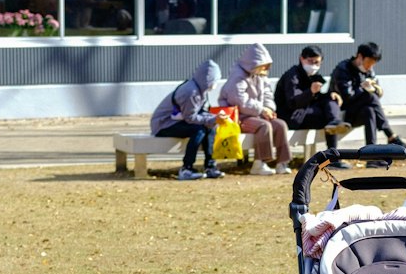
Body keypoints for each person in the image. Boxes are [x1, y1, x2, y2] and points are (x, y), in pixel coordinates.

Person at [219, 42, 292, 176]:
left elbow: (268, 94)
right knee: (264, 126)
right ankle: (259, 163)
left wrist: (269, 108)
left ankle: (282, 162)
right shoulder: (237, 76)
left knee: (280, 125)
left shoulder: (260, 74)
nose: (265, 68)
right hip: (239, 117)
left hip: (257, 115)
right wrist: (262, 110)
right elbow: (239, 101)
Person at [150, 58, 226, 181]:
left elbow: (199, 113)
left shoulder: (200, 89)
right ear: (208, 80)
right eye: (215, 80)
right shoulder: (191, 92)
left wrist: (214, 119)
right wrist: (213, 119)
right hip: (164, 124)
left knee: (210, 127)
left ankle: (210, 166)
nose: (216, 84)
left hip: (178, 121)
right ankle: (186, 168)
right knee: (199, 130)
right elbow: (191, 118)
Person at [330, 42, 406, 147]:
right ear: (360, 56)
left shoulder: (369, 70)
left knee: (369, 110)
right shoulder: (343, 68)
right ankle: (390, 135)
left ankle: (371, 153)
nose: (370, 66)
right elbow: (347, 97)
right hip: (343, 112)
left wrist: (373, 89)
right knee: (369, 97)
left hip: (360, 111)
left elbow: (377, 94)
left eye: (373, 63)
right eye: (369, 62)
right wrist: (362, 88)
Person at [274, 47, 351, 148]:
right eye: (310, 61)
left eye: (317, 62)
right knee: (324, 117)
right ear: (301, 59)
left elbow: (316, 98)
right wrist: (310, 92)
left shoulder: (313, 75)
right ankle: (333, 157)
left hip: (306, 110)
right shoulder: (293, 76)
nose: (313, 65)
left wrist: (330, 95)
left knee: (331, 100)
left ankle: (335, 121)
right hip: (293, 115)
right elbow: (292, 102)